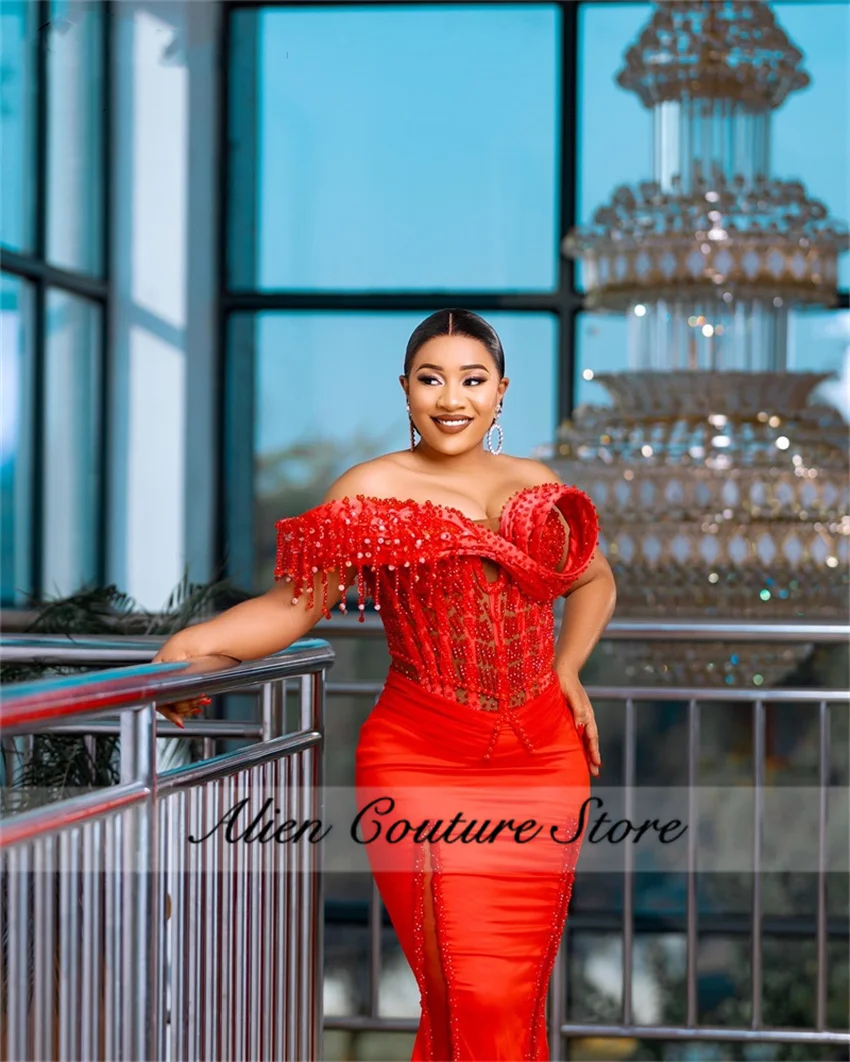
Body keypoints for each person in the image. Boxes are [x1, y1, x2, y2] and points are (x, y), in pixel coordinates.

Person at [154, 308, 616, 1060]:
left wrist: (567, 669)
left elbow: (595, 581)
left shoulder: (536, 483)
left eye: (473, 380)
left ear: (502, 392)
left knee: (513, 992)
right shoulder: (369, 487)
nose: (452, 398)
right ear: (405, 389)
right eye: (432, 379)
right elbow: (293, 607)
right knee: (469, 988)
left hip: (545, 762)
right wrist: (190, 645)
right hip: (421, 758)